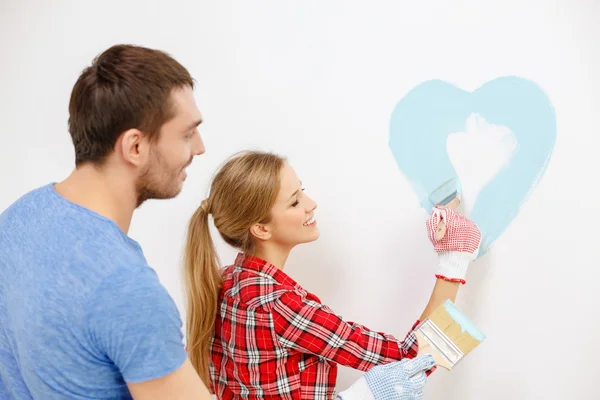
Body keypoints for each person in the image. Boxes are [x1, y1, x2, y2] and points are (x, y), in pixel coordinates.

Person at [0, 44, 438, 400]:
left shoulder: (17, 222)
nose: (201, 147)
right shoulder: (126, 290)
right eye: (187, 133)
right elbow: (412, 356)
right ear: (135, 146)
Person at [183, 151, 482, 399]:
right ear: (261, 229)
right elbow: (412, 361)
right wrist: (453, 261)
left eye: (302, 190)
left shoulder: (228, 282)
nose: (311, 204)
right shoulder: (280, 305)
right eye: (295, 201)